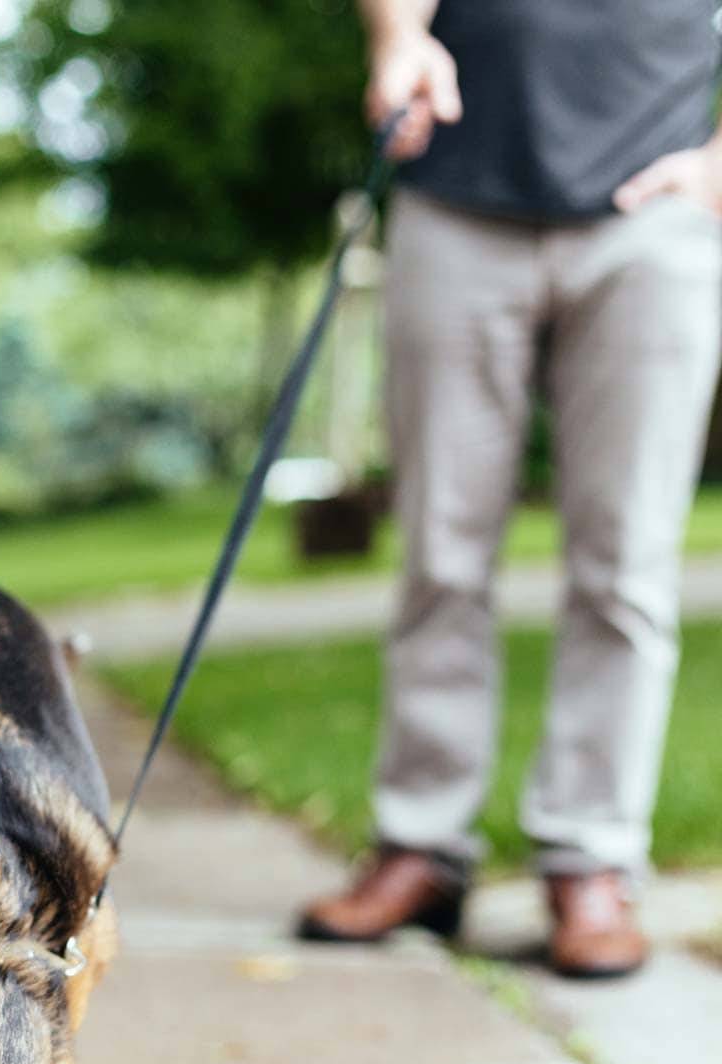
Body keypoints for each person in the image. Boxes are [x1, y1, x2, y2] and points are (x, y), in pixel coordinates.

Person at [297, 0, 722, 976]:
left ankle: (593, 862)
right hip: (454, 198)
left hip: (651, 219)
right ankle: (421, 846)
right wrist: (398, 39)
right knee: (440, 553)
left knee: (626, 565)